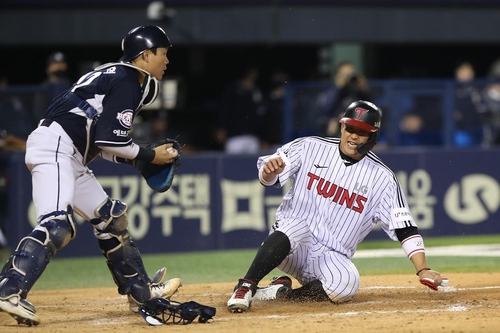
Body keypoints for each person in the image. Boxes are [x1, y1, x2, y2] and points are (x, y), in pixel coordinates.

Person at [0, 25, 182, 326]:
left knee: (111, 218)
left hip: (70, 153)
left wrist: (141, 158)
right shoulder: (128, 79)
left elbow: (103, 142)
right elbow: (110, 141)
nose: (166, 61)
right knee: (57, 225)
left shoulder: (120, 75)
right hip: (56, 149)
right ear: (145, 55)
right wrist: (150, 155)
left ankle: (141, 292)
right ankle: (9, 289)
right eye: (162, 54)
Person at [227, 100, 446, 313]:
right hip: (289, 245)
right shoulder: (310, 146)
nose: (353, 135)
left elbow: (404, 228)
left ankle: (281, 293)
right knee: (295, 226)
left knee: (346, 284)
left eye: (361, 131)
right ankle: (246, 286)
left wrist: (422, 269)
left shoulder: (383, 178)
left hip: (329, 255)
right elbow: (269, 177)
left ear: (373, 137)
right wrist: (268, 172)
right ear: (342, 126)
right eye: (350, 127)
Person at [215, 63, 266, 154]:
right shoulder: (232, 89)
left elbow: (261, 116)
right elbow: (224, 110)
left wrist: (263, 138)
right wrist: (221, 127)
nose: (252, 75)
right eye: (250, 73)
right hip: (234, 137)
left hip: (252, 137)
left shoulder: (257, 91)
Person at [33, 52, 73, 121]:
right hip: (50, 124)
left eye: (61, 63)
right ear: (49, 68)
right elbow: (39, 113)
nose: (59, 66)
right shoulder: (44, 88)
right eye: (55, 64)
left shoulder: (72, 85)